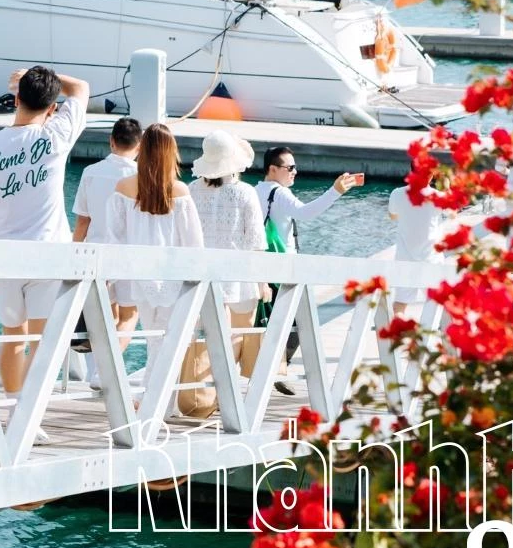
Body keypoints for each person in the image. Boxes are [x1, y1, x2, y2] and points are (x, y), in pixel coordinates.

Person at [0, 67, 88, 401]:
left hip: (4, 256)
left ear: (16, 100)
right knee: (43, 342)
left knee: (12, 336)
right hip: (47, 254)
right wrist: (36, 70)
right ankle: (25, 413)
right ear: (52, 109)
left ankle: (11, 406)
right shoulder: (54, 136)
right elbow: (81, 88)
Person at [104, 124, 203, 404]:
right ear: (171, 153)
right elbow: (193, 245)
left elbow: (114, 239)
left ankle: (152, 400)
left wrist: (111, 276)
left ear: (143, 151)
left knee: (154, 341)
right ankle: (157, 404)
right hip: (175, 278)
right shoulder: (180, 191)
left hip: (140, 276)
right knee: (170, 342)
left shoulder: (124, 188)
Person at [256, 147, 359, 395]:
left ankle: (267, 369)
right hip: (284, 268)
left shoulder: (255, 191)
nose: (295, 172)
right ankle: (277, 368)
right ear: (272, 169)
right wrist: (336, 191)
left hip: (262, 265)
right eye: (289, 168)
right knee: (300, 322)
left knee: (267, 321)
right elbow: (307, 213)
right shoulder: (279, 193)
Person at [72, 117, 142, 366]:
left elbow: (83, 222)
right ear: (139, 146)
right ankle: (105, 370)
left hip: (95, 257)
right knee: (129, 315)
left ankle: (100, 371)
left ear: (111, 141)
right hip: (128, 257)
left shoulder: (90, 172)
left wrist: (73, 256)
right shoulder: (141, 176)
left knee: (105, 316)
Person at [190, 131, 266, 330]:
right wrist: (262, 282)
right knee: (241, 333)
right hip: (239, 274)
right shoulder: (245, 192)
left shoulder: (192, 190)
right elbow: (255, 240)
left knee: (207, 336)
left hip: (201, 272)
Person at [386, 185, 443, 314]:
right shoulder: (438, 196)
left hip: (405, 260)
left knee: (400, 304)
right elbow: (453, 214)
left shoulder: (397, 193)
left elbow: (393, 216)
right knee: (440, 301)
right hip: (431, 260)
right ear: (431, 174)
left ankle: (399, 334)